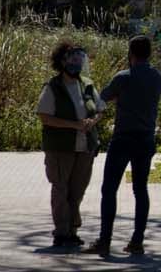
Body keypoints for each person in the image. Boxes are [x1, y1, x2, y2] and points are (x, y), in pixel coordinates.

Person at [89, 35, 161, 257]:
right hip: (146, 139)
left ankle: (105, 240)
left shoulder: (123, 77)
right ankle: (137, 241)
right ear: (149, 53)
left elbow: (102, 99)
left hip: (123, 138)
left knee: (109, 189)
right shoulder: (157, 77)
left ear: (130, 53)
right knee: (140, 189)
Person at [36, 43, 105, 249]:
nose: (76, 63)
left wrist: (93, 121)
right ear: (62, 61)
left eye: (79, 59)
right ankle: (61, 232)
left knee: (77, 190)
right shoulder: (52, 86)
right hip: (60, 147)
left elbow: (100, 108)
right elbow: (44, 116)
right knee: (60, 189)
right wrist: (73, 125)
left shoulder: (88, 84)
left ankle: (73, 230)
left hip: (85, 147)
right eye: (72, 58)